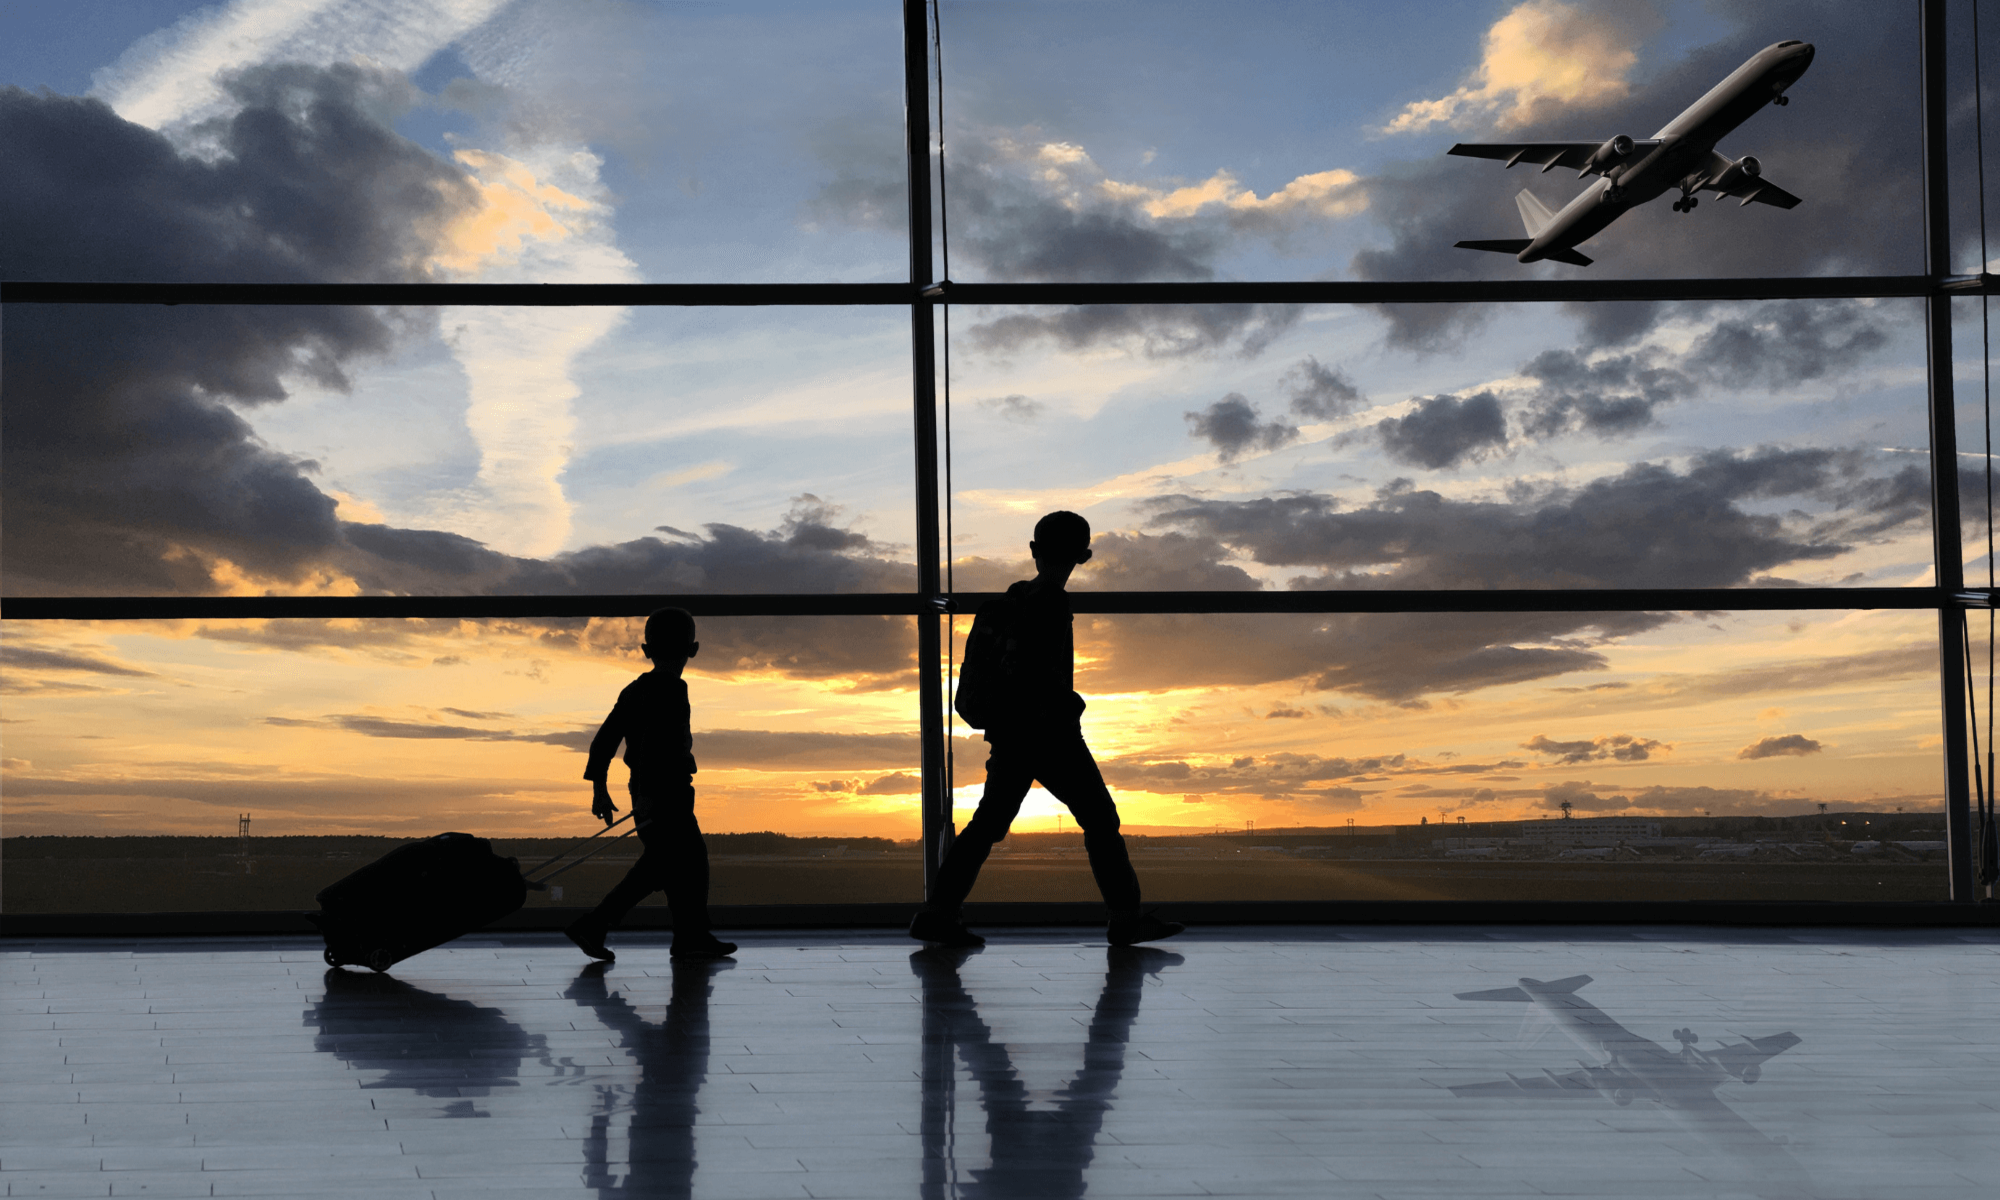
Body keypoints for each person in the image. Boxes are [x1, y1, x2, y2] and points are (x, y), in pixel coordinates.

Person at [911, 511, 1183, 948]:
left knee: (987, 824)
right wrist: (1066, 710)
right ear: (1084, 556)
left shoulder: (1008, 603)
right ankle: (1125, 918)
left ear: (1034, 551)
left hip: (1010, 732)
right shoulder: (1053, 604)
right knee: (1100, 820)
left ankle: (938, 912)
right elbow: (1042, 677)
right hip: (1050, 735)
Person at [565, 607, 736, 962]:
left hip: (646, 791)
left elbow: (604, 742)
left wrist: (600, 788)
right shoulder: (673, 690)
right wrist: (648, 794)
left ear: (646, 650)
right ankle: (599, 924)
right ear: (693, 649)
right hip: (665, 793)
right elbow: (654, 747)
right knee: (676, 864)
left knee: (673, 865)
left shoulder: (634, 690)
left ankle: (688, 936)